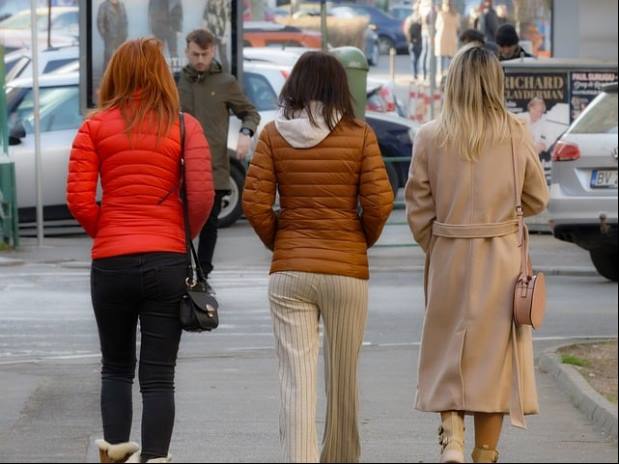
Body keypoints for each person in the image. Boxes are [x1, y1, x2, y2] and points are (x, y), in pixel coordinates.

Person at [66, 38, 215, 463]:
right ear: (163, 77)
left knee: (115, 367)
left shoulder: (94, 127)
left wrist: (109, 230)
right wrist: (181, 231)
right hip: (166, 260)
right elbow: (201, 195)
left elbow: (78, 198)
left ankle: (113, 455)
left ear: (116, 74)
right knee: (159, 376)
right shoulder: (185, 126)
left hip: (111, 263)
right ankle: (154, 458)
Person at [242, 51, 394, 463]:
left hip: (291, 271)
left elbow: (254, 205)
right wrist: (358, 239)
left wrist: (284, 241)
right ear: (340, 88)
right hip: (346, 271)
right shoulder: (360, 135)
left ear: (294, 86)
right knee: (343, 379)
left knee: (296, 380)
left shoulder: (273, 135)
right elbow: (379, 203)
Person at [405, 44, 549, 463]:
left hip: (449, 252)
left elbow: (417, 206)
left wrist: (438, 241)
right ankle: (484, 454)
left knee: (449, 348)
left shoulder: (430, 135)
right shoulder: (515, 131)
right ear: (494, 83)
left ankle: (451, 437)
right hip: (501, 256)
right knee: (493, 361)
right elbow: (537, 198)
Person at [178, 29, 260, 285]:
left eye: (204, 54)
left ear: (212, 51)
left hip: (213, 168)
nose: (200, 59)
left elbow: (249, 112)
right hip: (178, 167)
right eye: (195, 54)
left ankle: (203, 273)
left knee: (209, 224)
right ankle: (180, 273)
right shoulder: (176, 82)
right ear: (186, 52)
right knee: (179, 226)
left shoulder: (225, 82)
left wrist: (246, 133)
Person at [96, 0, 128, 69]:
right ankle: (106, 78)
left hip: (121, 38)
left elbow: (125, 21)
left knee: (121, 60)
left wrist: (125, 34)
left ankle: (119, 78)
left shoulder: (121, 5)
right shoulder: (103, 6)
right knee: (109, 60)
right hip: (110, 39)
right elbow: (100, 23)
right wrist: (106, 37)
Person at [434, 0, 460, 77]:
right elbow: (458, 27)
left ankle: (440, 76)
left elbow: (436, 26)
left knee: (441, 60)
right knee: (451, 61)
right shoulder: (456, 15)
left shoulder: (441, 14)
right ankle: (449, 77)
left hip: (441, 38)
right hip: (452, 38)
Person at [404, 1, 423, 80]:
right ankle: (415, 74)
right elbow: (406, 30)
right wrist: (409, 40)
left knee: (416, 59)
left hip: (416, 41)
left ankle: (415, 74)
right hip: (415, 41)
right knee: (415, 59)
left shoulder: (418, 19)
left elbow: (406, 30)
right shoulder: (413, 19)